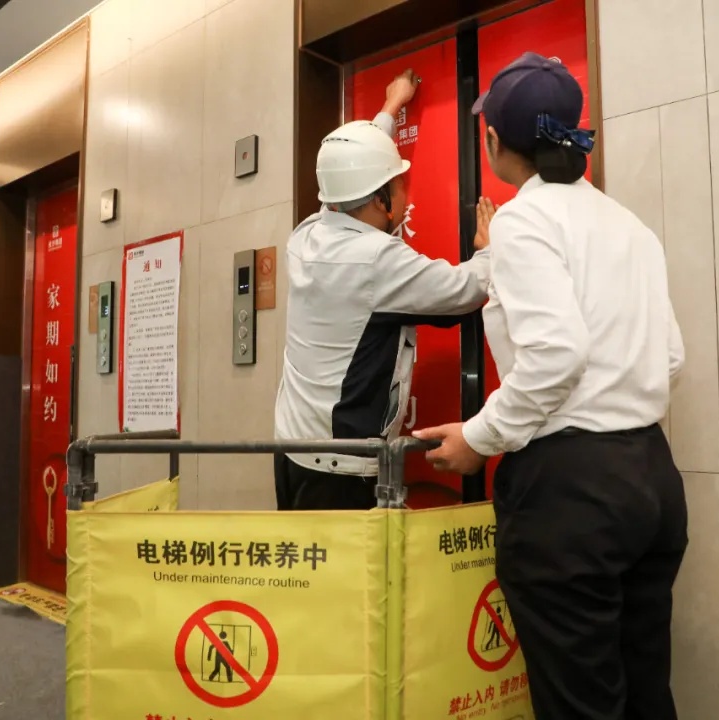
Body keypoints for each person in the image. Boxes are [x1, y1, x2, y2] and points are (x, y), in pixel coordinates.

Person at [415, 52, 688, 720]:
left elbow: (557, 355)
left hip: (571, 492)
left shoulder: (523, 220)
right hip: (651, 479)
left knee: (579, 704)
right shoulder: (629, 224)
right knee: (646, 691)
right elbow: (670, 356)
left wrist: (480, 437)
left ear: (492, 141)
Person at [273, 69, 497, 511]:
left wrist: (391, 109)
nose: (404, 191)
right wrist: (490, 251)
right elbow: (464, 290)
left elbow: (344, 179)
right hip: (340, 470)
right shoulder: (375, 258)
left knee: (307, 557)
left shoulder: (306, 234)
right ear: (380, 201)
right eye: (398, 184)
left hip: (291, 451)